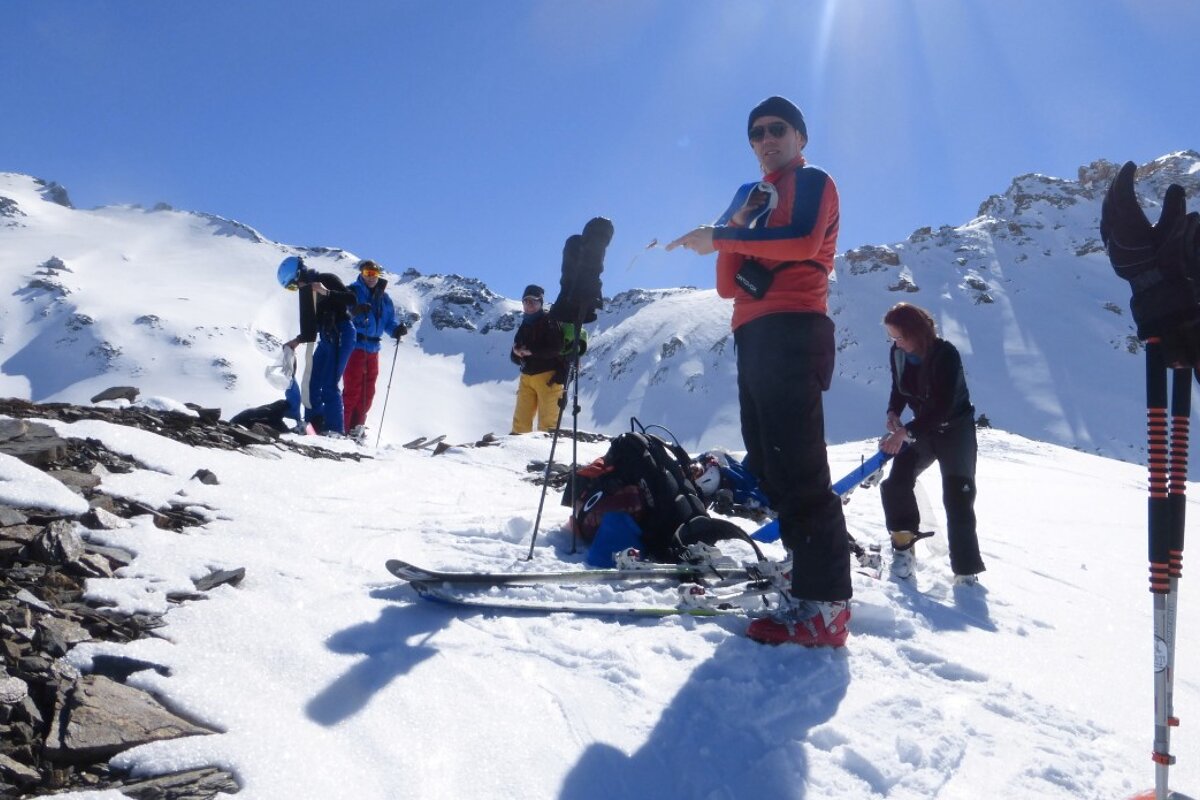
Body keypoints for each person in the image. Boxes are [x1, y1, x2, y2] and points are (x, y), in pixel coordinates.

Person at [667, 95, 852, 647]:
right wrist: (737, 225)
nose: (766, 139)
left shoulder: (813, 179)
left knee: (799, 464)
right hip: (753, 332)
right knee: (770, 462)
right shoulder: (749, 197)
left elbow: (803, 240)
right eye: (756, 134)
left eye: (777, 129)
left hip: (796, 326)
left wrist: (725, 236)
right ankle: (806, 571)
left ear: (800, 136)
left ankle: (828, 605)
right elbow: (728, 283)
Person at [878, 302, 985, 583]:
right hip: (923, 430)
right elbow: (898, 387)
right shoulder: (899, 354)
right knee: (896, 483)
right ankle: (904, 552)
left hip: (955, 431)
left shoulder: (945, 354)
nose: (896, 343)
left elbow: (943, 406)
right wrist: (893, 411)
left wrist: (906, 432)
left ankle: (966, 571)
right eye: (892, 338)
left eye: (899, 337)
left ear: (916, 332)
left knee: (957, 497)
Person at [276, 255, 357, 436]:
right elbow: (310, 328)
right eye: (290, 288)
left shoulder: (327, 279)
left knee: (329, 384)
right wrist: (296, 341)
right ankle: (314, 427)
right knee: (311, 384)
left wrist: (326, 292)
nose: (295, 288)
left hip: (342, 333)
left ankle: (335, 431)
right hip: (326, 338)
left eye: (292, 284)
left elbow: (352, 299)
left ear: (300, 275)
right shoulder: (305, 294)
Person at [343, 259, 407, 441]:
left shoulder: (384, 298)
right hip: (356, 346)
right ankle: (343, 429)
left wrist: (396, 330)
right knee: (352, 390)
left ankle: (357, 430)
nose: (371, 278)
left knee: (368, 392)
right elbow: (343, 314)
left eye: (374, 274)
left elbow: (388, 322)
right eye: (367, 273)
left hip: (373, 348)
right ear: (361, 274)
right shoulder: (352, 292)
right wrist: (355, 311)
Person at [510, 284, 566, 434]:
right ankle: (515, 452)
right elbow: (514, 355)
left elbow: (556, 348)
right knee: (520, 422)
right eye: (526, 301)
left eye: (533, 301)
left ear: (541, 303)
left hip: (548, 378)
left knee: (548, 425)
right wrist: (516, 353)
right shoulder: (525, 325)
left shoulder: (550, 322)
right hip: (527, 377)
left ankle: (547, 454)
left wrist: (531, 352)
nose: (529, 305)